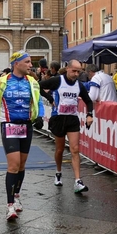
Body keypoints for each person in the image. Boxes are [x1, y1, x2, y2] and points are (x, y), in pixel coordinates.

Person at [0, 51, 44, 221]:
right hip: (9, 125)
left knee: (22, 165)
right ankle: (9, 206)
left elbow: (39, 102)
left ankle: (16, 196)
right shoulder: (1, 82)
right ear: (17, 63)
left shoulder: (32, 81)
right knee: (13, 165)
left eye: (31, 62)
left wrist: (39, 117)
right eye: (28, 62)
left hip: (26, 126)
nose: (31, 65)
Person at [39, 59, 94, 194]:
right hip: (58, 118)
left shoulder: (79, 85)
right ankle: (58, 172)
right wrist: (50, 99)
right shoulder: (58, 81)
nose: (76, 74)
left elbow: (88, 101)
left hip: (72, 119)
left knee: (75, 149)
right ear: (67, 69)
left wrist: (89, 114)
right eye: (74, 71)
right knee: (60, 150)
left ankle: (77, 181)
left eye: (78, 71)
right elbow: (38, 86)